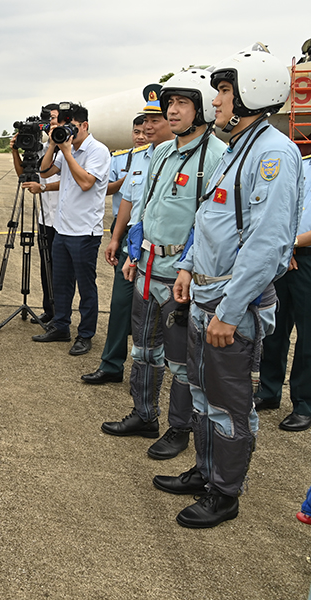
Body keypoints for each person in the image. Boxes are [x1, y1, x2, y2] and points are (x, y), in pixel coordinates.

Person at [154, 48, 303, 528]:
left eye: (222, 90)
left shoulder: (272, 154)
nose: (216, 101)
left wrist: (231, 311)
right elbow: (212, 220)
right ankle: (204, 469)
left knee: (229, 405)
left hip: (231, 305)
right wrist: (187, 269)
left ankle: (224, 493)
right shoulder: (239, 147)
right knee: (202, 394)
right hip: (204, 295)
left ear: (253, 92)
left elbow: (267, 247)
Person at [101, 71, 227, 462]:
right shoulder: (159, 152)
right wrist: (134, 255)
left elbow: (209, 222)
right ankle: (143, 414)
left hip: (180, 277)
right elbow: (145, 207)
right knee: (143, 350)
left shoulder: (216, 156)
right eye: (169, 104)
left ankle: (179, 428)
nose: (171, 111)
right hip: (147, 267)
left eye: (181, 104)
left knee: (181, 362)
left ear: (201, 108)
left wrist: (188, 268)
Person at [81, 112, 158, 385]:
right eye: (144, 123)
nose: (146, 128)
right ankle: (112, 364)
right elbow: (127, 200)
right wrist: (115, 238)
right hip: (131, 239)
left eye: (154, 121)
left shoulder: (185, 157)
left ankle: (152, 371)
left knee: (160, 310)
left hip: (165, 245)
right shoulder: (135, 157)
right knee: (121, 303)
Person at [31, 103, 110, 355]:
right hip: (62, 228)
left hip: (84, 231)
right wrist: (54, 144)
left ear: (84, 125)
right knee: (61, 283)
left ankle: (85, 334)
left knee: (86, 287)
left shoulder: (98, 151)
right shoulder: (68, 149)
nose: (69, 132)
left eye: (72, 128)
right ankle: (61, 326)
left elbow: (86, 182)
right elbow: (43, 172)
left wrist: (66, 152)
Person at [254, 153, 311, 430]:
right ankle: (268, 389)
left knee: (308, 337)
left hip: (304, 256)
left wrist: (291, 244)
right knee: (274, 329)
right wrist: (285, 248)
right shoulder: (301, 164)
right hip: (285, 255)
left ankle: (304, 404)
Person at [13, 103, 61, 323]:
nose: (51, 123)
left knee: (62, 271)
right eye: (48, 119)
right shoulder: (38, 148)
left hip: (64, 219)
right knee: (46, 267)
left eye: (54, 118)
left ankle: (62, 315)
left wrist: (43, 187)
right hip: (45, 218)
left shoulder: (68, 148)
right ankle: (49, 311)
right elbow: (25, 174)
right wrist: (16, 151)